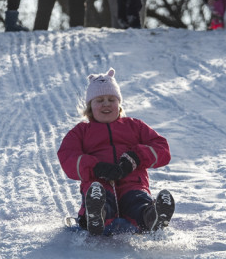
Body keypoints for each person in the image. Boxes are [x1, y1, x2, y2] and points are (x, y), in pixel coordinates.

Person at [57, 68, 175, 236]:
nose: (106, 103)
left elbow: (162, 148)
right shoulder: (81, 131)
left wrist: (136, 157)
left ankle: (152, 217)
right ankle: (96, 217)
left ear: (119, 104)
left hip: (132, 182)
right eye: (100, 100)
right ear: (90, 107)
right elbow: (67, 156)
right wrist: (95, 167)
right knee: (100, 197)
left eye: (111, 99)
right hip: (98, 183)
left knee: (137, 200)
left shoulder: (135, 126)